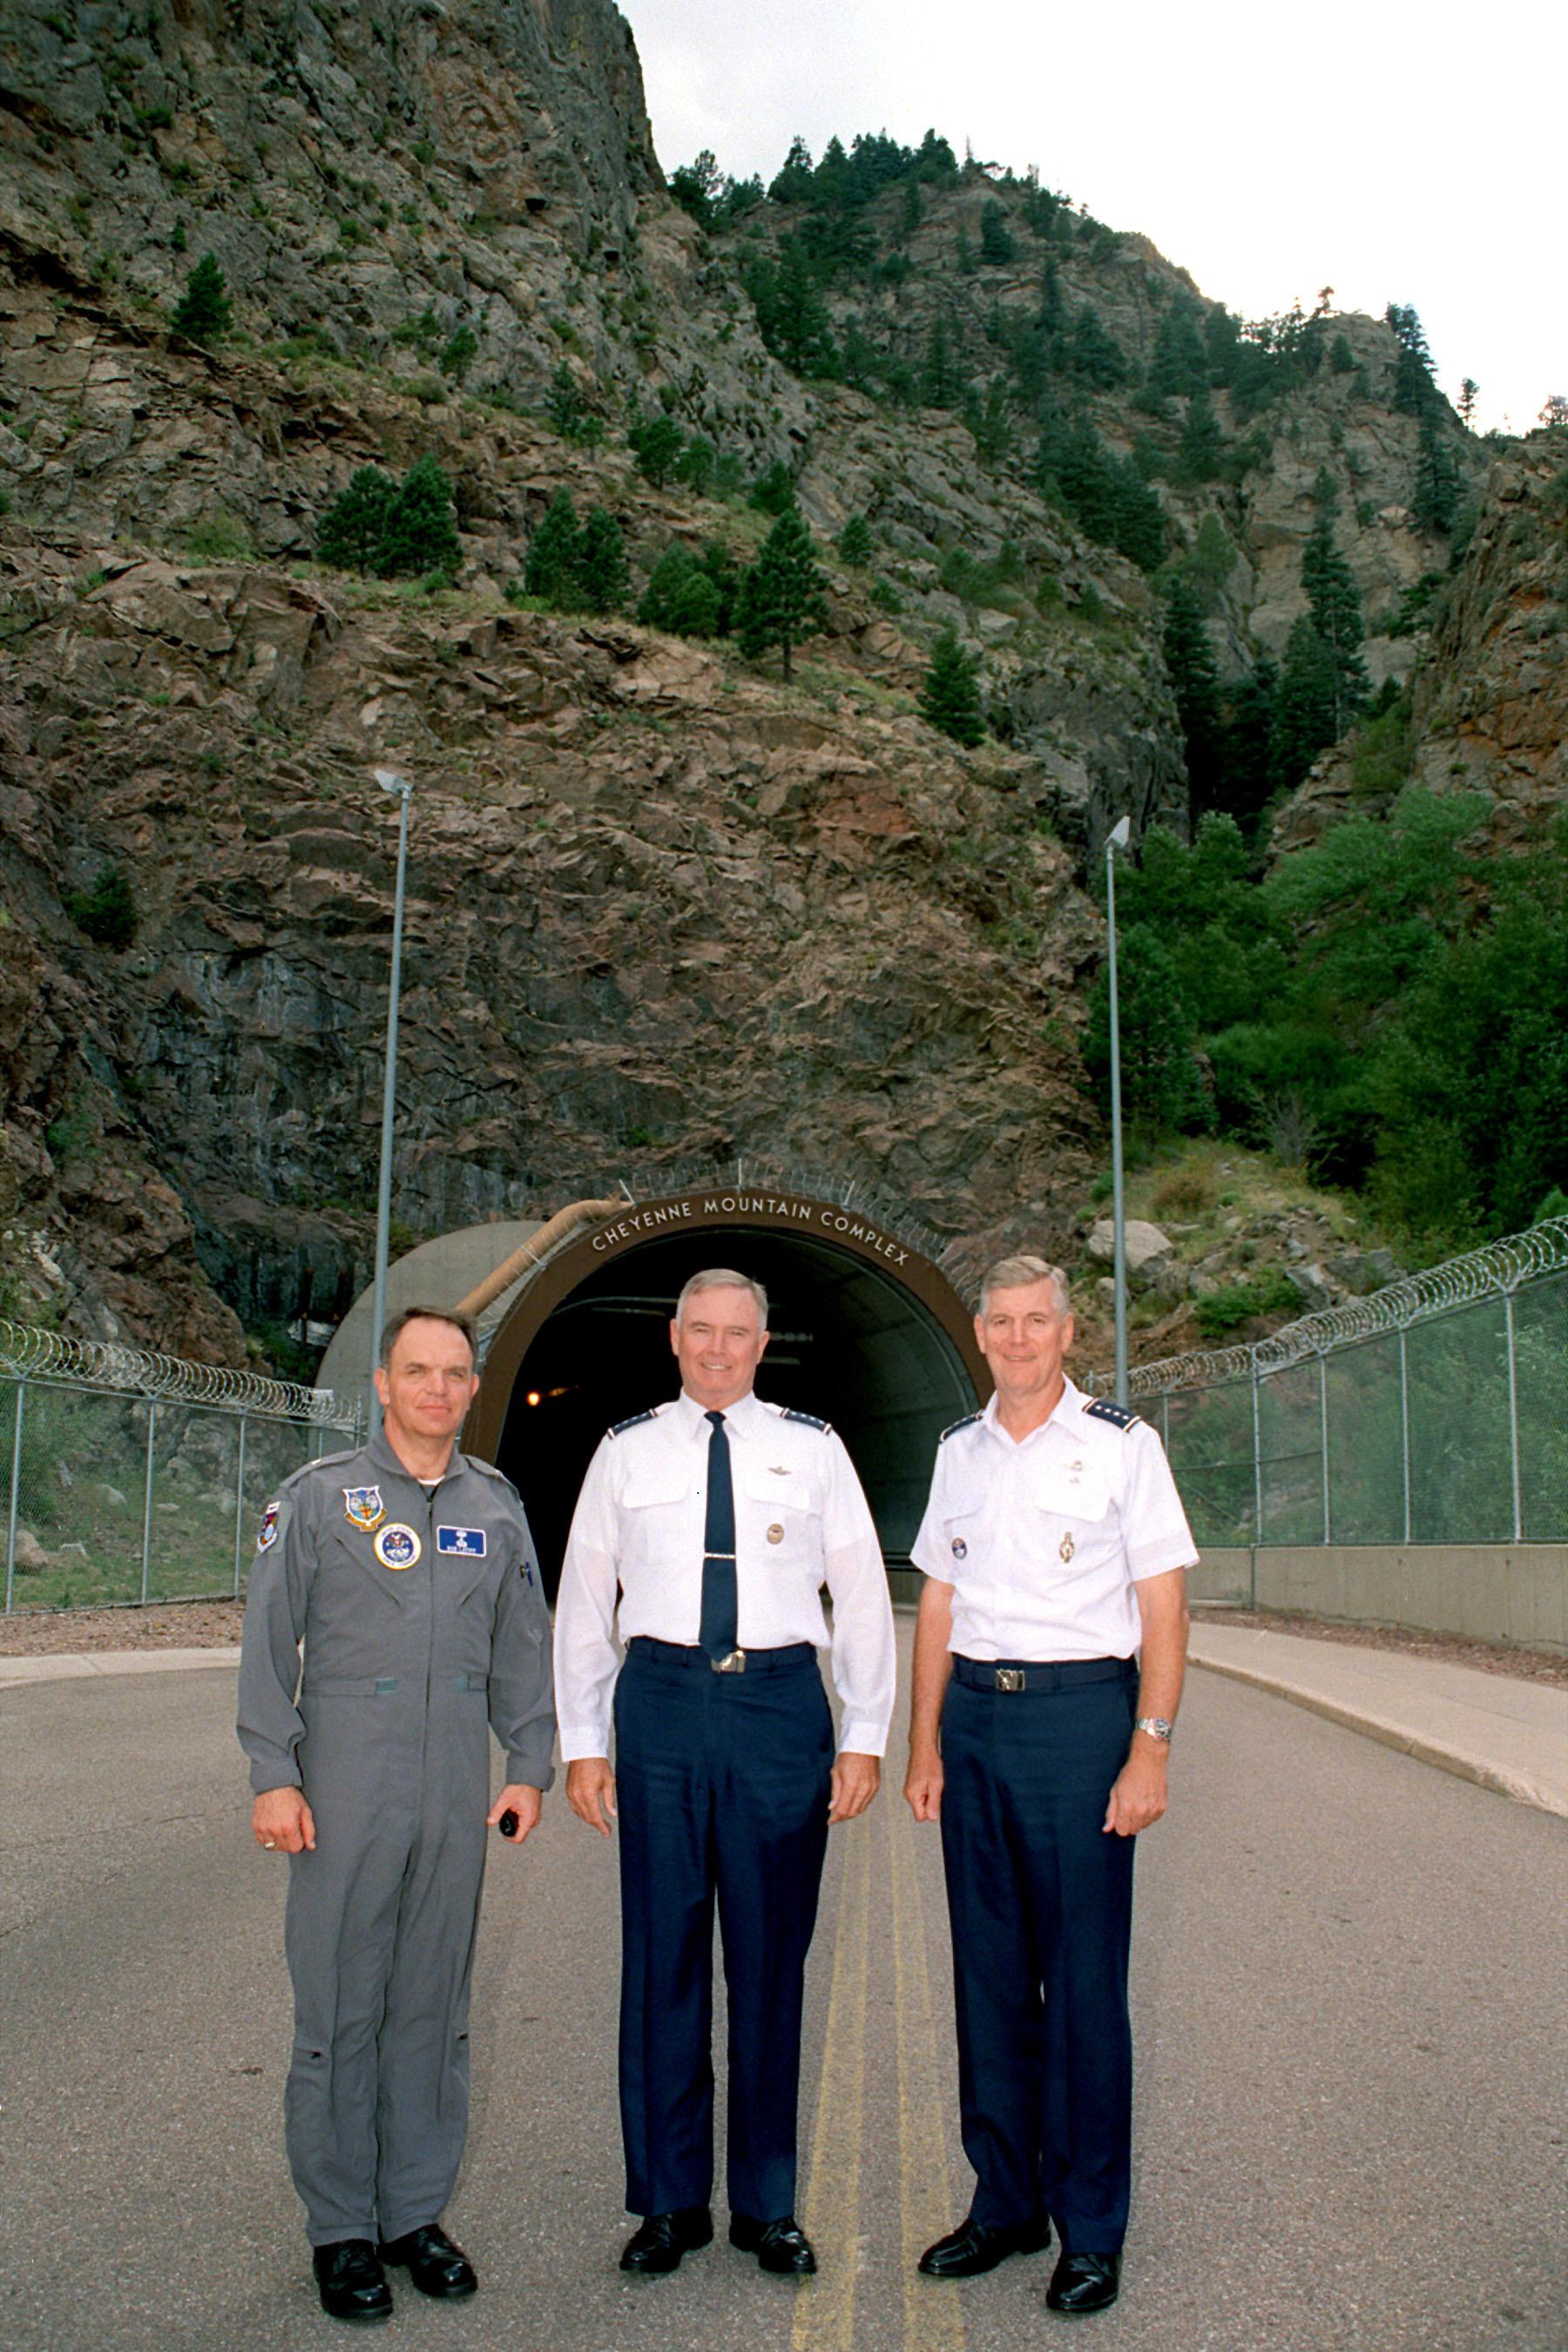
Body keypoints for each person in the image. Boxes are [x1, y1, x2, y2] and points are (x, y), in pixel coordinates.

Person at [555, 1267, 896, 2279]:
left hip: (777, 1708)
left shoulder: (814, 1448)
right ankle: (668, 2203)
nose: (717, 1349)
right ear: (673, 1336)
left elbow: (861, 1595)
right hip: (660, 1704)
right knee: (661, 1960)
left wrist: (865, 1732)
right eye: (700, 1330)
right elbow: (585, 1599)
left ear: (762, 1341)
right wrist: (583, 1741)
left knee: (769, 1963)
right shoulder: (624, 1451)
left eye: (736, 1333)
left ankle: (766, 2204)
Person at [238, 1307, 554, 2325]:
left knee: (431, 2006)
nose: (436, 1389)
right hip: (344, 1784)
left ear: (473, 1387)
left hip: (453, 1787)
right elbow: (268, 1642)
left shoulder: (496, 1507)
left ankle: (414, 2215)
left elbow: (521, 1645)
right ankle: (341, 2229)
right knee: (340, 2009)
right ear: (382, 1383)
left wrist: (530, 1763)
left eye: (454, 1373)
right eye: (417, 1370)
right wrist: (273, 1773)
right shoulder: (319, 1498)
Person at [904, 1256, 1193, 2319]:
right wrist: (924, 1744)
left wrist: (1149, 1748)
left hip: (1081, 1724)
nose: (1019, 1338)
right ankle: (1006, 2204)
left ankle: (1092, 2228)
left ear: (1068, 1334)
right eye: (1002, 1322)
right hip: (976, 1722)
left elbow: (1163, 1606)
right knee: (988, 1981)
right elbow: (939, 1603)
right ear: (981, 1333)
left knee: (1080, 1990)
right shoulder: (959, 1451)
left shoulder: (1122, 1445)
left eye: (1038, 1321)